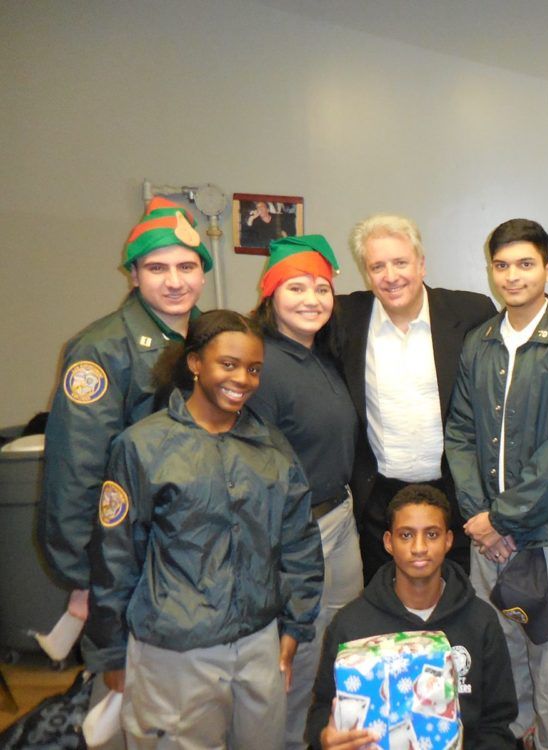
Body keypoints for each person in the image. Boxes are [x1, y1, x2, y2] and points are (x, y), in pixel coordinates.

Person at [83, 309, 323, 749]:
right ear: (195, 363)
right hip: (174, 651)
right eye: (228, 365)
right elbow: (115, 555)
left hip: (257, 644)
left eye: (253, 369)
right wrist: (110, 649)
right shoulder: (142, 446)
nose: (243, 379)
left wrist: (293, 629)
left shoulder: (271, 446)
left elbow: (299, 542)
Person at [331, 213, 548, 583]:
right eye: (377, 266)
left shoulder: (469, 311)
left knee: (461, 605)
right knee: (387, 605)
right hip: (380, 498)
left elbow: (526, 327)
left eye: (401, 262)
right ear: (366, 272)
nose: (391, 276)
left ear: (421, 264)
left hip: (455, 494)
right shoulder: (346, 317)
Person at [444, 218, 548, 748]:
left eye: (526, 264)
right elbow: (461, 432)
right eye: (502, 265)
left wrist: (502, 519)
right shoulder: (479, 343)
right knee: (500, 667)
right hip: (487, 545)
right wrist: (479, 519)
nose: (513, 276)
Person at [41, 197, 211, 626]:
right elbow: (76, 467)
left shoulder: (214, 337)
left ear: (202, 273)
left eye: (186, 267)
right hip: (130, 551)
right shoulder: (101, 349)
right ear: (133, 275)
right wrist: (83, 574)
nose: (175, 282)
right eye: (157, 268)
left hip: (199, 543)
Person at [248, 235, 363, 750]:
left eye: (321, 287)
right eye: (296, 287)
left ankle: (316, 737)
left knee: (333, 646)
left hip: (339, 516)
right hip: (293, 532)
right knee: (289, 654)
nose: (311, 299)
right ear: (270, 294)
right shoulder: (263, 364)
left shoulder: (321, 354)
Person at [306, 483, 517, 750]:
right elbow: (322, 710)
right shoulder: (350, 624)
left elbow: (498, 723)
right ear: (388, 542)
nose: (419, 548)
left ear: (449, 541)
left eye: (431, 534)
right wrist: (325, 737)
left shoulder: (480, 620)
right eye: (406, 535)